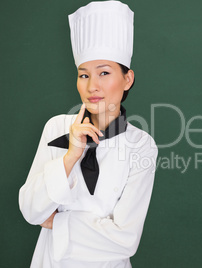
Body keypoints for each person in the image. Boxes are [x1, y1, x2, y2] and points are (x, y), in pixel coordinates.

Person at [18, 1, 158, 267]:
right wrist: (70, 157)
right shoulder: (56, 127)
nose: (93, 86)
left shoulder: (141, 145)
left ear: (127, 79)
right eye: (84, 75)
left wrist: (58, 221)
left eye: (104, 73)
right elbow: (30, 210)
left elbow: (125, 240)